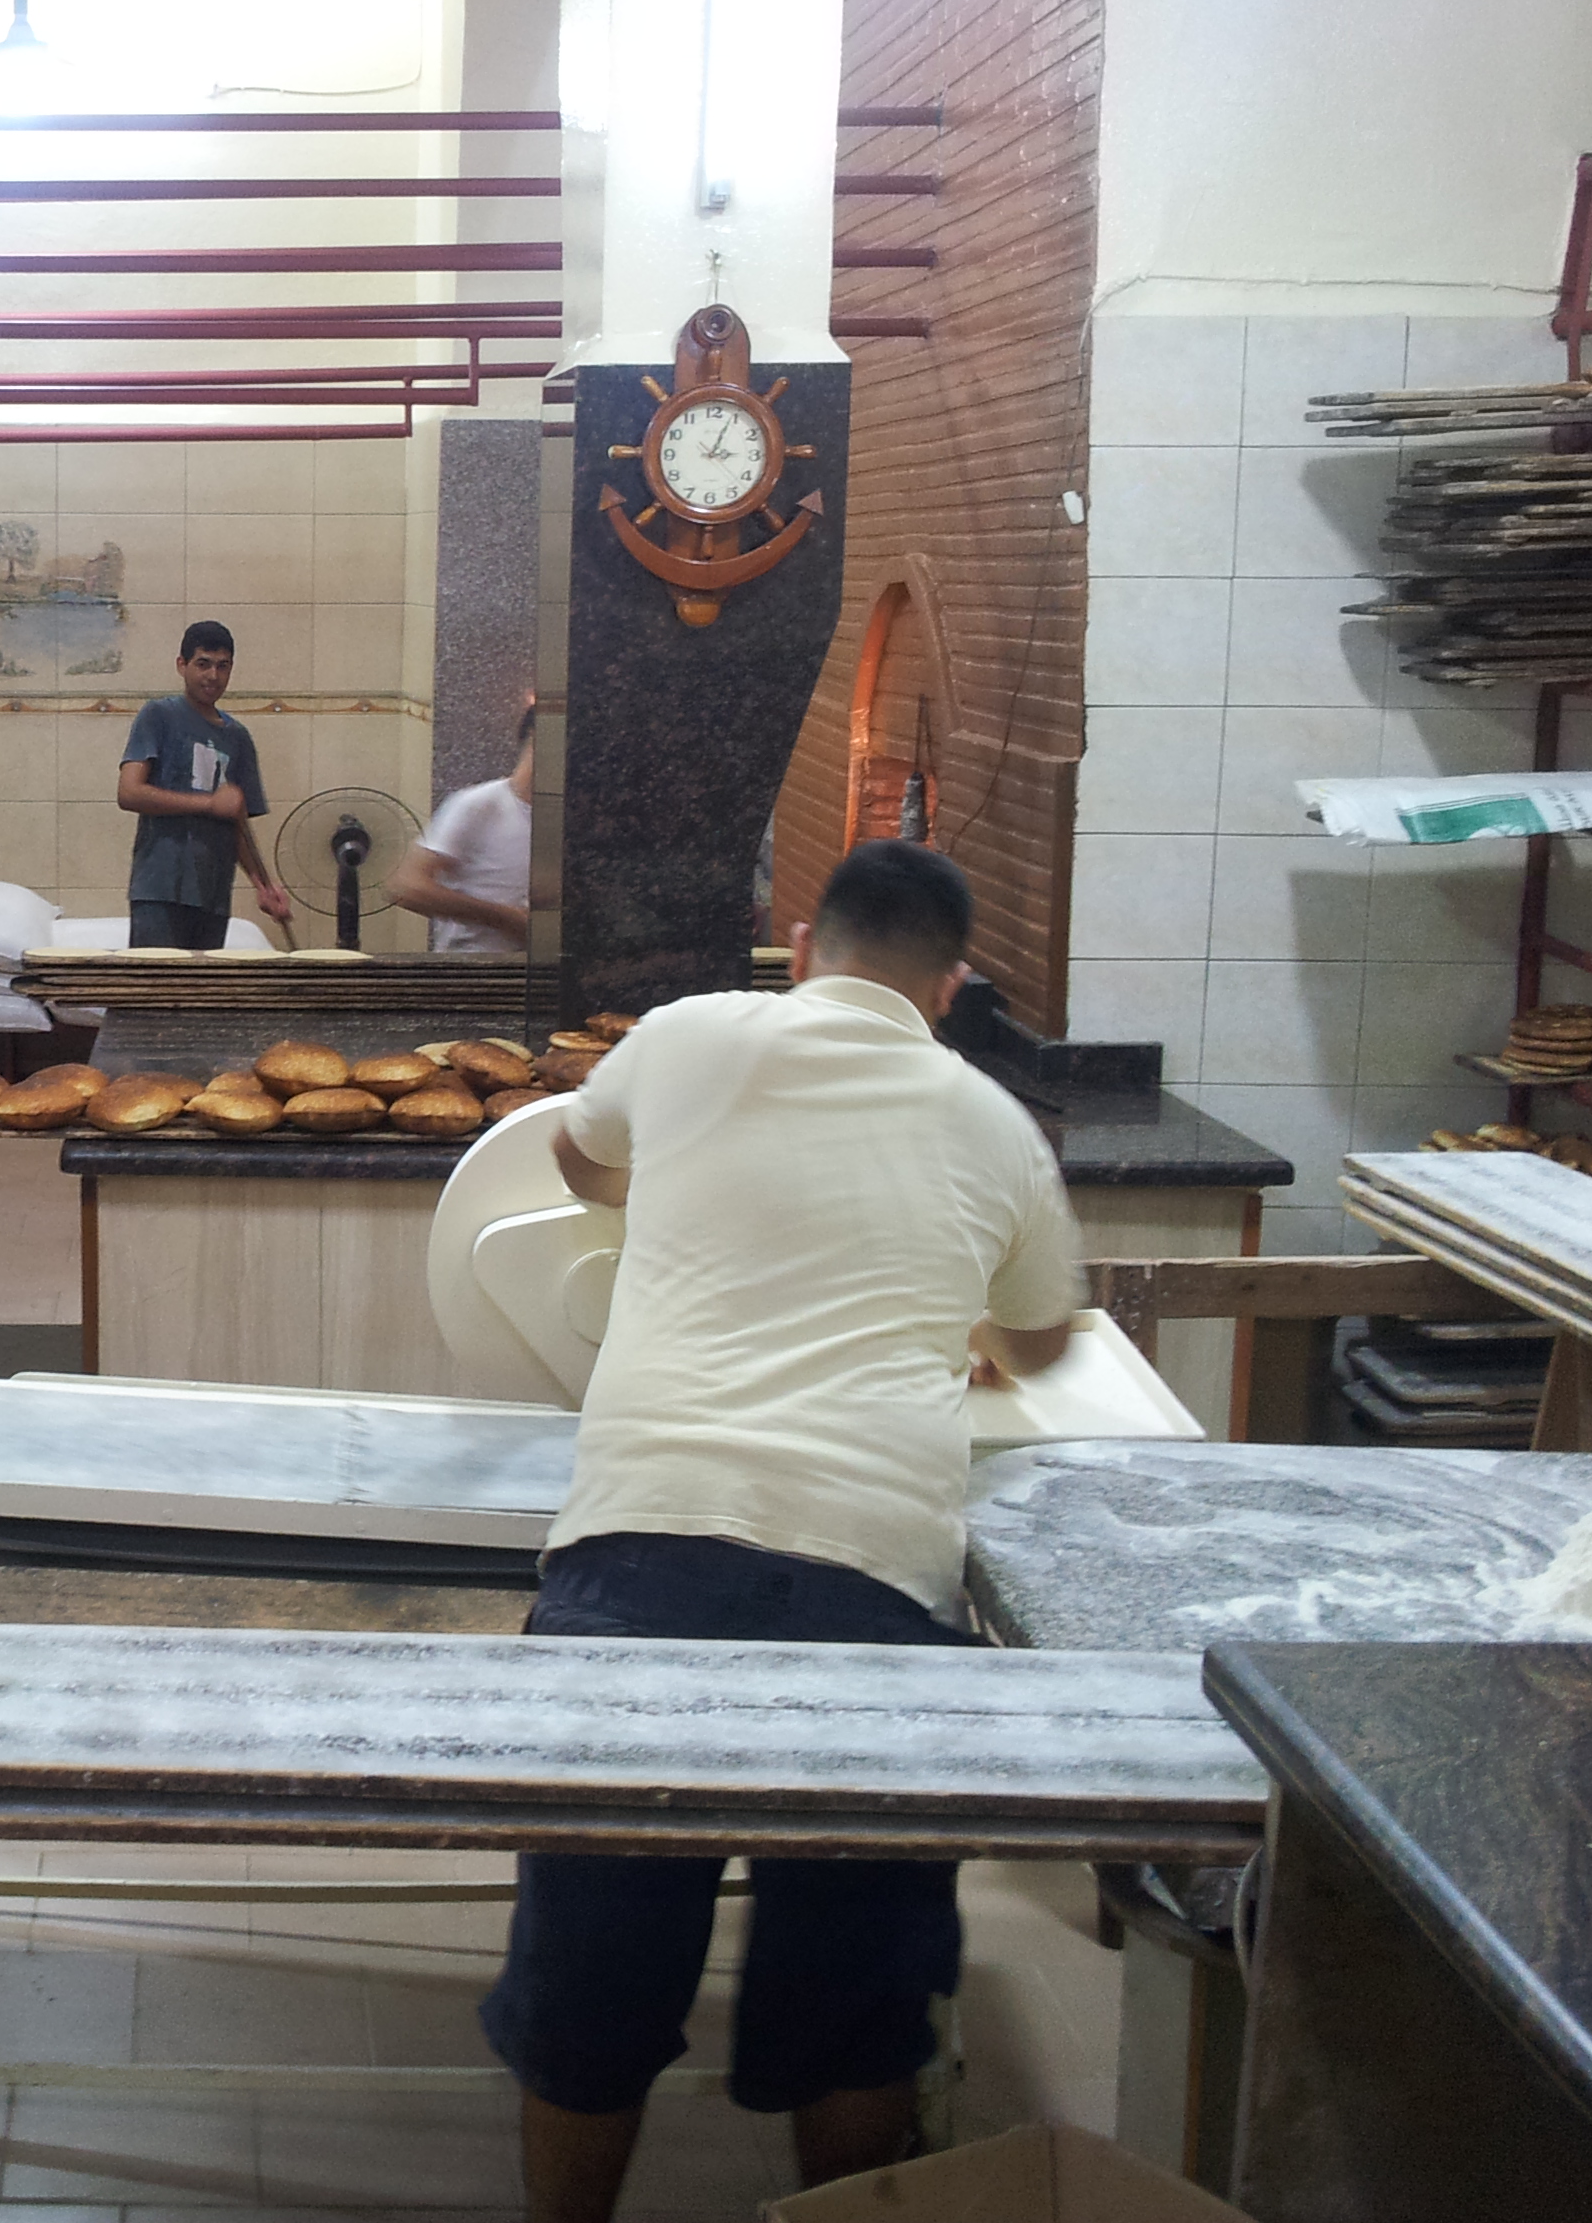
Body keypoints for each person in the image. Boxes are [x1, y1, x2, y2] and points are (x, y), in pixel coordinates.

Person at [479, 840, 1084, 2209]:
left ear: (802, 947)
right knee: (856, 1993)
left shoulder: (688, 1033)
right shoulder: (997, 1122)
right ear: (950, 988)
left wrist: (685, 1196)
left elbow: (577, 1158)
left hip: (638, 1554)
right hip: (874, 1584)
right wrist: (961, 1320)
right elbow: (1043, 1341)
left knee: (594, 1977)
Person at [116, 618, 296, 950]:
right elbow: (129, 792)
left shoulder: (238, 737)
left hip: (213, 895)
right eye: (203, 664)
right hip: (159, 890)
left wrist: (263, 885)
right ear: (181, 665)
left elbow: (237, 823)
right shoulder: (158, 715)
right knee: (156, 982)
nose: (213, 675)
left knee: (204, 983)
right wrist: (209, 804)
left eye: (222, 666)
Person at [391, 701, 536, 953]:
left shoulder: (569, 819)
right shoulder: (480, 805)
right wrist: (505, 918)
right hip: (473, 968)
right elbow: (407, 886)